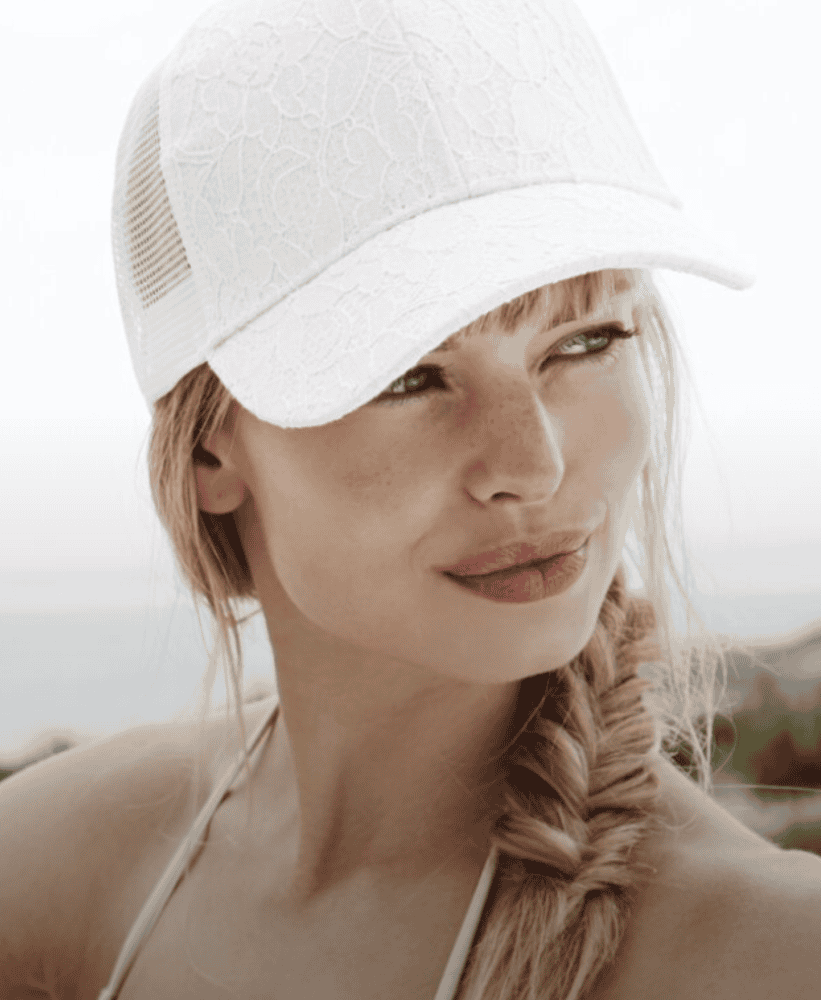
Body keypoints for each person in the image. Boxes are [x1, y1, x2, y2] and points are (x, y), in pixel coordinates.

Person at [2, 0, 819, 997]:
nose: (532, 463)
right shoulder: (53, 877)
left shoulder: (773, 955)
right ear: (212, 445)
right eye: (408, 376)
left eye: (585, 341)